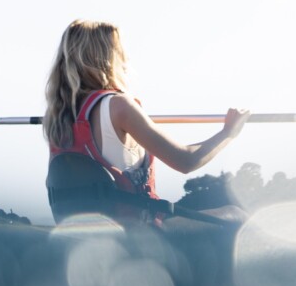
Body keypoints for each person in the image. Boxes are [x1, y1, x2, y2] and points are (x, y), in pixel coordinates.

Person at [44, 19, 248, 221]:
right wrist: (228, 133)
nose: (126, 58)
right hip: (141, 234)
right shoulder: (119, 106)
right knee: (235, 215)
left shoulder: (58, 117)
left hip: (85, 236)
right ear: (106, 57)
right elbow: (186, 161)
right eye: (120, 50)